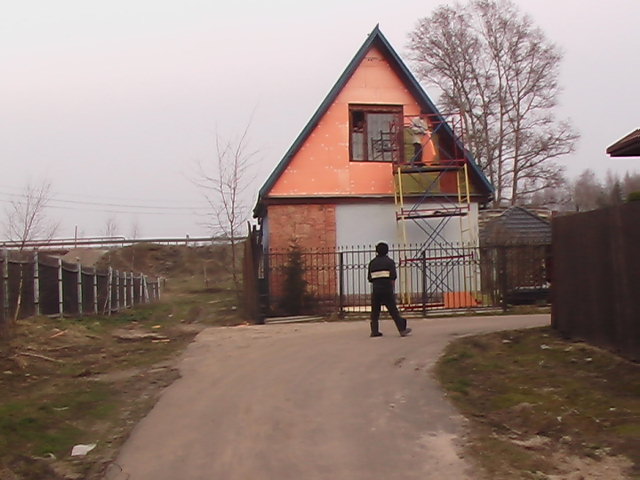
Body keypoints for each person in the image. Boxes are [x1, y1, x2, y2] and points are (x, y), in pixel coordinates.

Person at [367, 242, 412, 337]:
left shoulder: (372, 263)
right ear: (387, 251)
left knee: (375, 312)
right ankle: (402, 329)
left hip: (376, 289)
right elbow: (393, 276)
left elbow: (370, 278)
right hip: (387, 289)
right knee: (393, 311)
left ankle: (374, 331)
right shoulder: (390, 262)